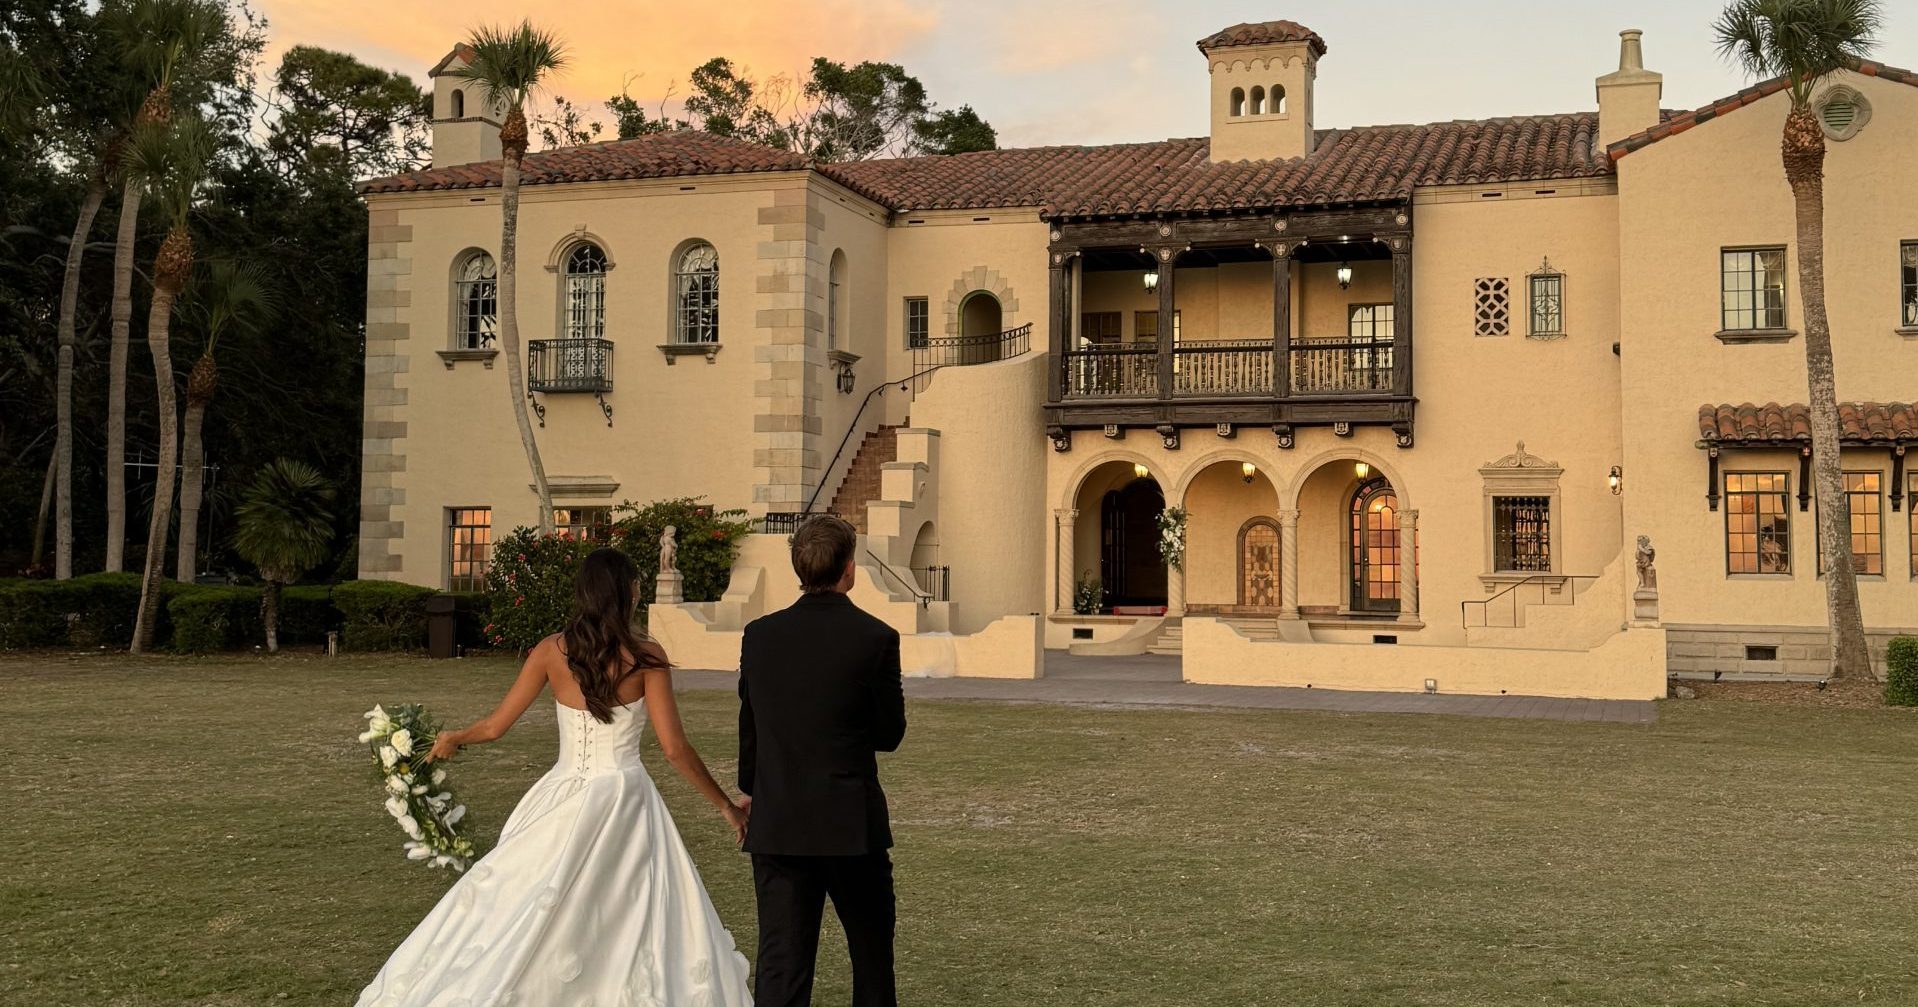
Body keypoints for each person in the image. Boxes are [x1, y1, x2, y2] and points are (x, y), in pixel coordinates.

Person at [354, 547, 754, 1007]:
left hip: (562, 792)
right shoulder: (646, 657)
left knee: (531, 897)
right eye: (636, 585)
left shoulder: (551, 650)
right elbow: (674, 749)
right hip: (624, 796)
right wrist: (726, 807)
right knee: (627, 905)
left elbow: (496, 727)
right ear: (626, 593)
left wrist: (455, 737)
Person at [738, 515, 906, 1007]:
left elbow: (751, 725)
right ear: (849, 568)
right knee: (871, 961)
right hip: (850, 823)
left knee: (782, 968)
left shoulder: (760, 635)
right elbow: (889, 734)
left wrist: (752, 790)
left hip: (779, 821)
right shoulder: (875, 637)